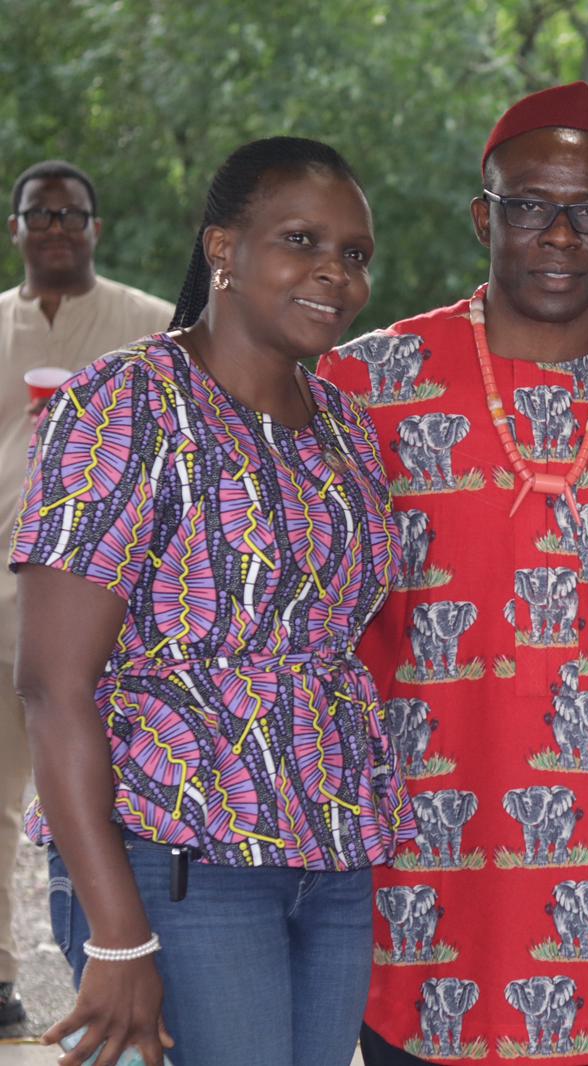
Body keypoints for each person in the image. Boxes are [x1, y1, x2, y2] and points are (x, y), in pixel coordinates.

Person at [316, 81, 588, 1066]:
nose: (561, 235)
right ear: (483, 215)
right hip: (424, 884)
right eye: (530, 205)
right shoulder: (364, 383)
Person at [12, 137, 412, 1066]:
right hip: (175, 863)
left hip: (332, 863)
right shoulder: (126, 403)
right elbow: (52, 688)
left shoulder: (345, 429)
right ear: (223, 249)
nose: (336, 272)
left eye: (355, 253)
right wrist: (119, 934)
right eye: (301, 240)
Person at [1, 160, 173, 1029]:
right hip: (2, 603)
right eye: (41, 214)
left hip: (113, 617)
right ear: (16, 228)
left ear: (96, 228)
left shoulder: (149, 324)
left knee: (107, 801)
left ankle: (127, 973)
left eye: (73, 215)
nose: (57, 228)